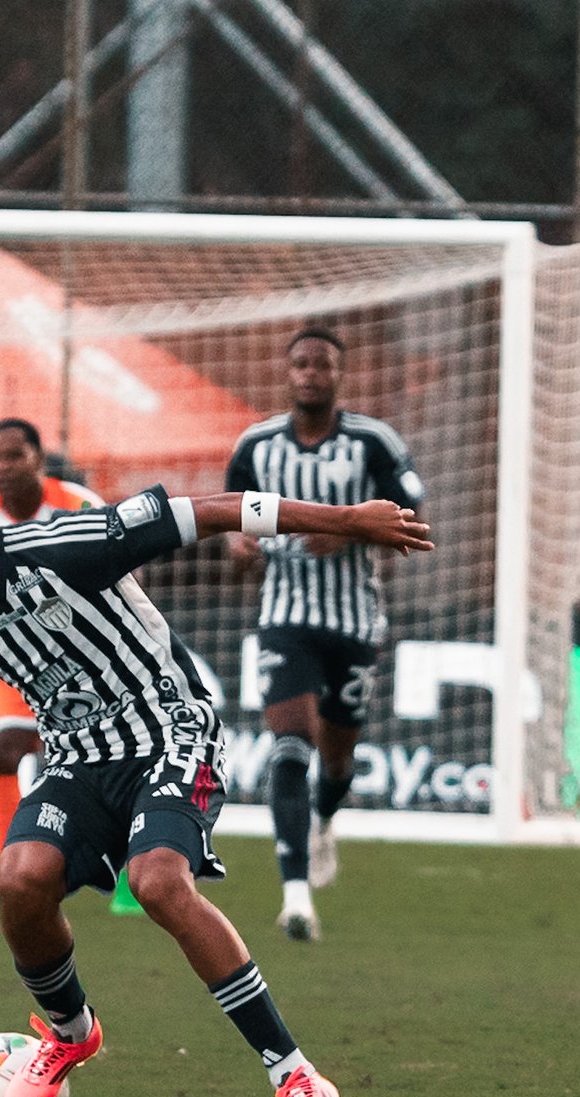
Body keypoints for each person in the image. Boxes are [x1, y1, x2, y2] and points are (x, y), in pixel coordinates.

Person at [0, 456, 432, 1097]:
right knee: (19, 879)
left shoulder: (66, 545)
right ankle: (70, 1031)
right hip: (78, 762)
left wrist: (347, 520)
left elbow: (214, 510)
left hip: (172, 732)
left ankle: (293, 1073)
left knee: (158, 880)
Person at [225, 327, 426, 942]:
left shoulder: (373, 442)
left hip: (354, 621)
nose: (311, 373)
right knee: (290, 744)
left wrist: (350, 531)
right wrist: (239, 546)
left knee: (336, 760)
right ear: (287, 373)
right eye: (302, 364)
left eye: (323, 364)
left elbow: (413, 518)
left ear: (341, 374)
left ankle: (325, 821)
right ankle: (296, 897)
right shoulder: (257, 445)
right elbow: (229, 517)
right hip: (284, 618)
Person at [0, 418, 103, 909]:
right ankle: (10, 873)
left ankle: (129, 877)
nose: (4, 467)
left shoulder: (79, 506)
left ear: (39, 460)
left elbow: (122, 567)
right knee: (2, 753)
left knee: (94, 763)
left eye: (15, 456)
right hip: (16, 662)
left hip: (86, 660)